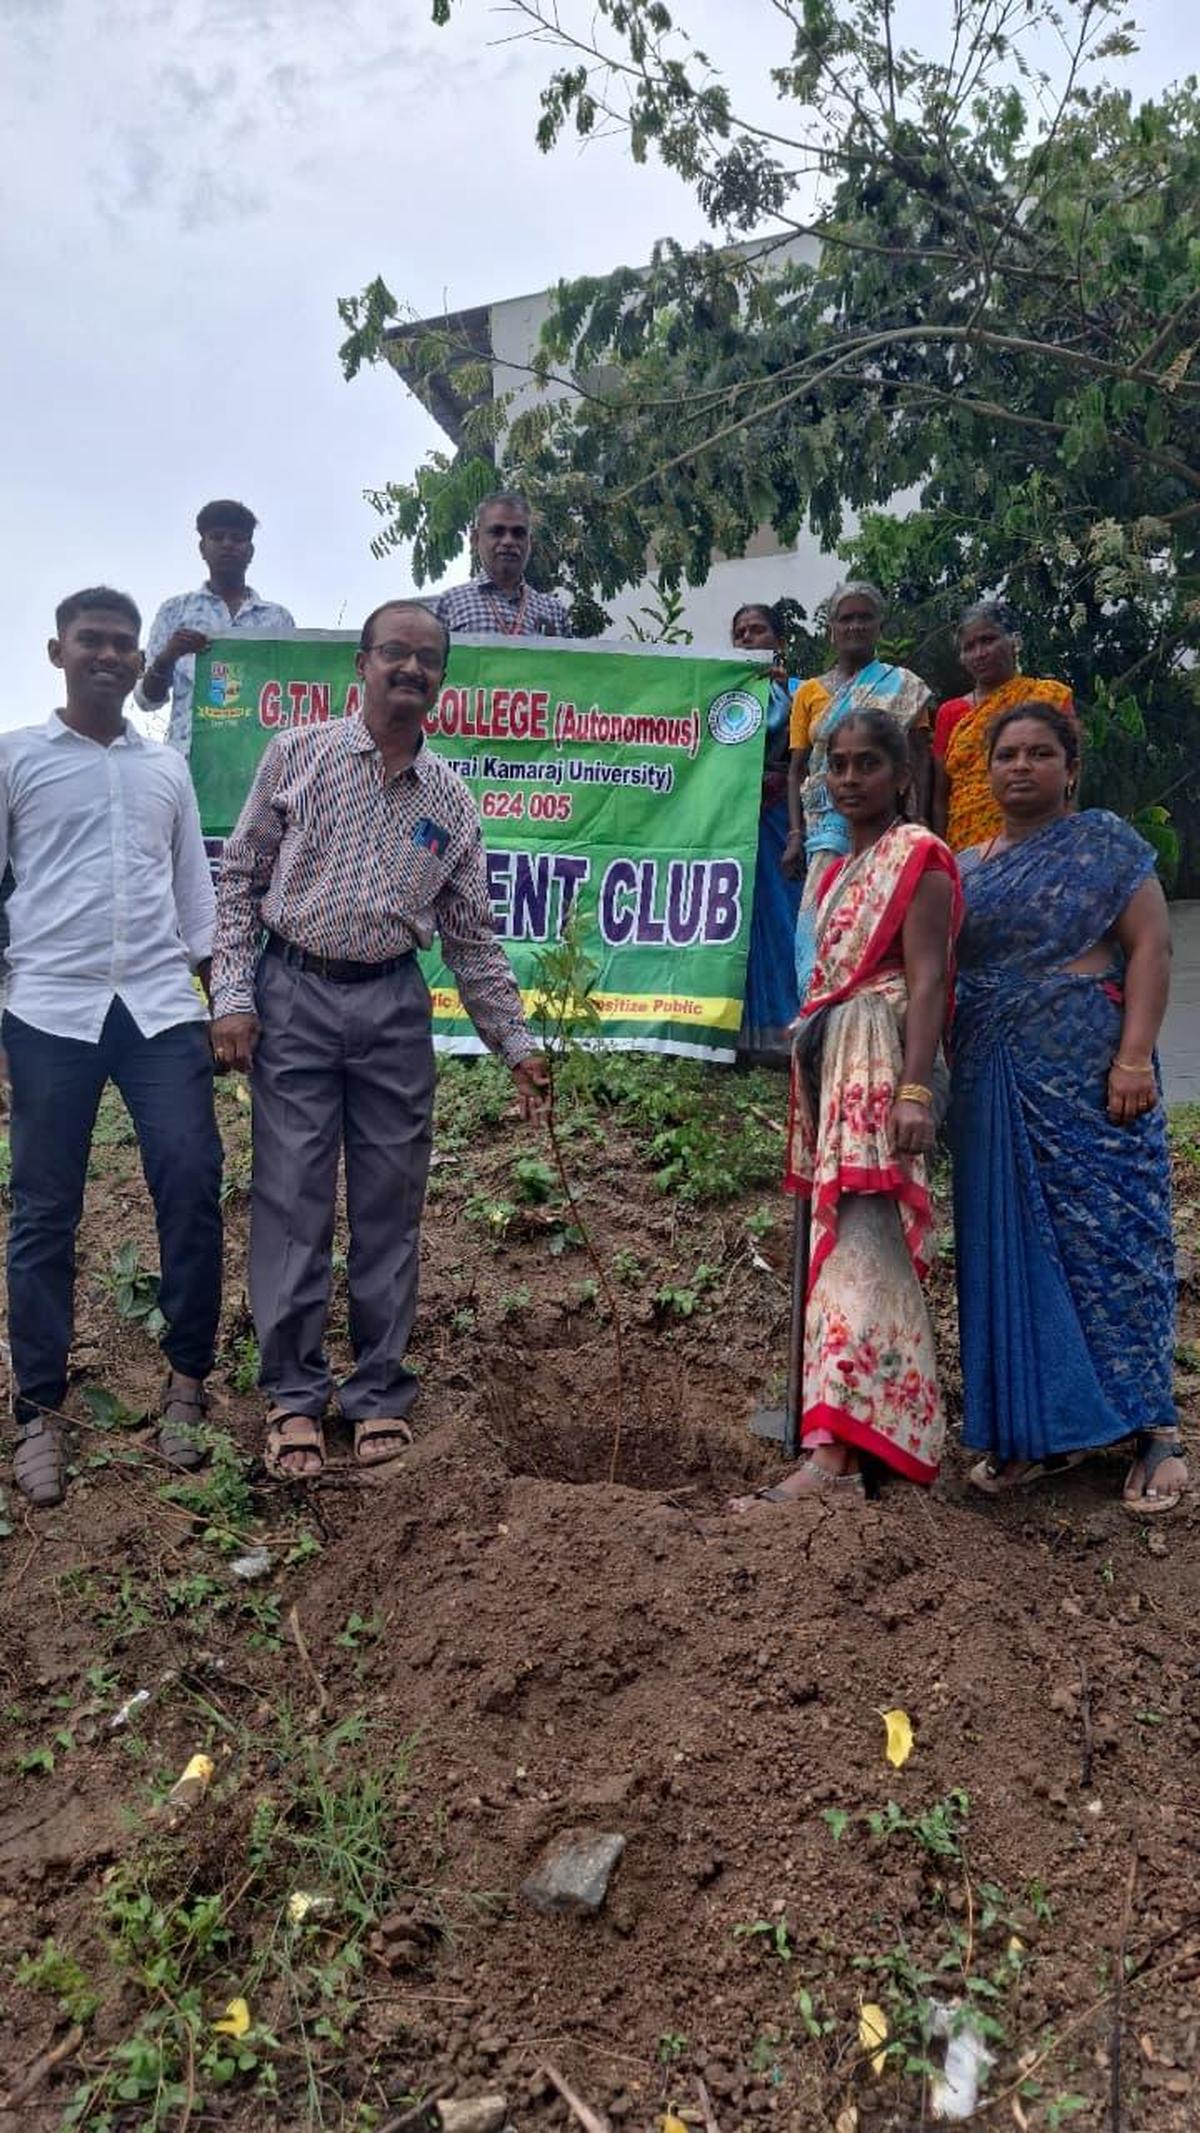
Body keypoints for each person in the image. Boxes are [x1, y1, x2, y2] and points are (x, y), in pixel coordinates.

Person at [210, 600, 551, 1481]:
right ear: (360, 665)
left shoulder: (449, 800)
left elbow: (471, 937)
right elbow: (242, 878)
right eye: (394, 653)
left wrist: (515, 1043)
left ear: (441, 680)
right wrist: (234, 996)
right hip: (292, 997)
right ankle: (291, 1396)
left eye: (427, 659)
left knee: (391, 1206)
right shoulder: (299, 755)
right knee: (292, 1200)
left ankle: (376, 1395)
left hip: (394, 1007)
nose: (411, 669)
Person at [0, 590, 223, 1506]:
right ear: (58, 651)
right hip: (49, 1008)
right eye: (91, 640)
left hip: (161, 1009)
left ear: (140, 664)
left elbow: (196, 895)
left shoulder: (166, 768)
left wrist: (228, 998)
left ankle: (185, 1382)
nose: (109, 655)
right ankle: (38, 1407)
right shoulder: (16, 761)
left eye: (124, 645)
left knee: (190, 1178)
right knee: (44, 1210)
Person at [950, 702, 1187, 1515]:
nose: (1021, 766)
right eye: (1007, 754)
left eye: (1040, 752)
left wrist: (1132, 1056)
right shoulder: (965, 868)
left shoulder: (1106, 846)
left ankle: (1155, 1429)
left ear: (1070, 767)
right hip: (992, 1084)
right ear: (986, 771)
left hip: (1093, 1085)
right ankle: (1031, 1435)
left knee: (1118, 1247)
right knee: (1004, 1254)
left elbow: (1152, 944)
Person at [735, 711, 960, 1507]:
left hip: (881, 1061)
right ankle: (872, 1435)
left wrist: (914, 1088)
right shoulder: (834, 873)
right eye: (839, 764)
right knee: (846, 1248)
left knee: (865, 1237)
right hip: (838, 1062)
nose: (851, 777)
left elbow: (930, 980)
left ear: (903, 776)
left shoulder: (919, 859)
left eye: (870, 764)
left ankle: (833, 1458)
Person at [784, 581, 932, 1002]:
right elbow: (797, 770)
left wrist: (920, 818)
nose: (855, 626)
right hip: (825, 828)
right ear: (831, 628)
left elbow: (919, 760)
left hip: (889, 822)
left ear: (879, 625)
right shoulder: (809, 693)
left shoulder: (904, 686)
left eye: (864, 617)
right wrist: (795, 835)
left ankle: (879, 1009)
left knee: (884, 916)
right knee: (820, 921)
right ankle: (820, 1009)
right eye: (846, 618)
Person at [136, 500, 295, 755]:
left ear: (250, 551)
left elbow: (290, 694)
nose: (228, 545)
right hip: (189, 761)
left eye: (237, 538)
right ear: (202, 547)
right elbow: (147, 700)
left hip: (257, 761)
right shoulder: (175, 611)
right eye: (217, 537)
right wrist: (168, 656)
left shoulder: (277, 619)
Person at [931, 600, 1073, 852]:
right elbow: (941, 797)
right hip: (967, 846)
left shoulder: (1049, 696)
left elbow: (1072, 770)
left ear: (1014, 641)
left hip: (1042, 835)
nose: (980, 653)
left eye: (988, 640)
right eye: (969, 647)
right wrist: (943, 857)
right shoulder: (950, 713)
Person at [730, 602, 804, 1059]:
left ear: (778, 642)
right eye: (740, 633)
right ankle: (738, 1034)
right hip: (734, 818)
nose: (749, 639)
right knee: (738, 915)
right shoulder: (724, 693)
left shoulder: (801, 691)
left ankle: (786, 1028)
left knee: (784, 915)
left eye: (758, 631)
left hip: (785, 818)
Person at [433, 492, 574, 638]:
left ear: (530, 543)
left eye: (518, 533)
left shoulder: (554, 612)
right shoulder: (450, 604)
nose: (508, 541)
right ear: (475, 539)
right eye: (497, 532)